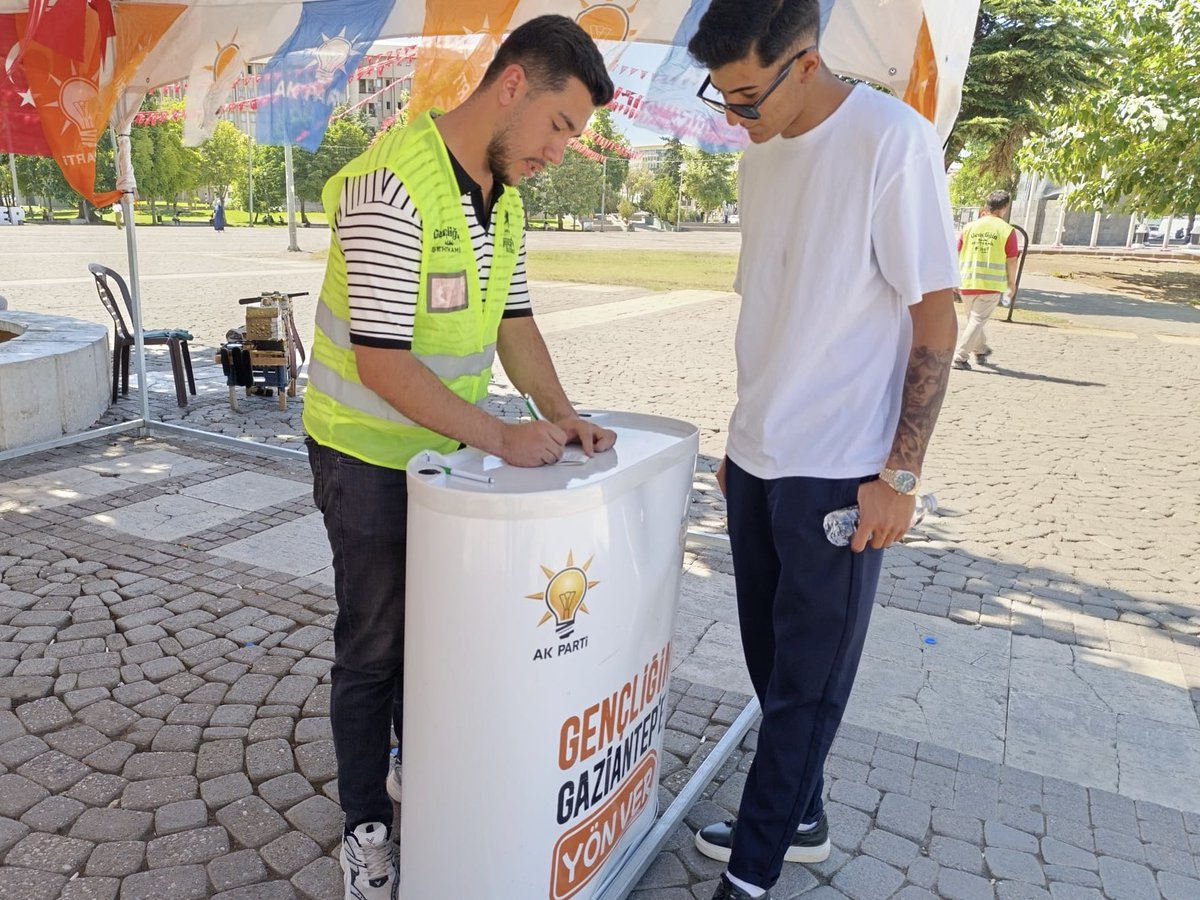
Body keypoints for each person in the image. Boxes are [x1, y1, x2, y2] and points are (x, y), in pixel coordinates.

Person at [300, 15, 616, 900]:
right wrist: (505, 437)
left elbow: (515, 324)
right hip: (364, 457)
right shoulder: (391, 184)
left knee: (436, 643)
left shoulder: (503, 196)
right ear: (512, 84)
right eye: (560, 124)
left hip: (446, 466)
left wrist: (565, 416)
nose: (561, 150)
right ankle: (367, 831)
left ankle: (422, 776)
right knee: (374, 645)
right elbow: (382, 361)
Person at [685, 2, 960, 898]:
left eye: (747, 95)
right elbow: (769, 308)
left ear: (805, 62)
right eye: (721, 98)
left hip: (841, 471)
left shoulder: (893, 140)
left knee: (808, 684)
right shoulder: (757, 160)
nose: (736, 116)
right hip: (756, 458)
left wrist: (900, 476)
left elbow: (934, 318)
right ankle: (799, 813)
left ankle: (755, 874)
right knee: (770, 662)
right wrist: (743, 431)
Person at [953, 189, 1018, 370]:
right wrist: (1011, 283)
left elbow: (957, 252)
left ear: (986, 206)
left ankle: (980, 349)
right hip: (990, 284)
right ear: (1004, 208)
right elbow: (1012, 260)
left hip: (967, 282)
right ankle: (960, 357)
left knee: (975, 320)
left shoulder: (969, 227)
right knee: (976, 321)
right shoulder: (1006, 230)